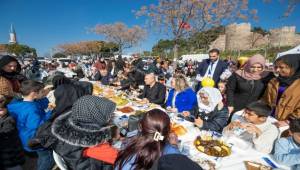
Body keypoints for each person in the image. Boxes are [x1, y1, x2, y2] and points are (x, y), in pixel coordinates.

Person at [51, 95, 117, 170]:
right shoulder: (95, 145)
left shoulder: (68, 129)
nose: (113, 116)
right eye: (109, 115)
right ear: (96, 118)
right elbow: (122, 159)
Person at [7, 80, 54, 170]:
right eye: (42, 91)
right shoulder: (32, 109)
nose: (44, 93)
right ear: (34, 94)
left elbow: (38, 103)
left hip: (24, 137)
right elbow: (39, 126)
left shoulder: (16, 104)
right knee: (47, 158)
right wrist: (50, 112)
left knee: (41, 157)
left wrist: (43, 96)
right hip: (36, 140)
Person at [114, 109, 180, 170]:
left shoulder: (130, 143)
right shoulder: (172, 152)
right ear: (167, 132)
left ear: (140, 127)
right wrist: (174, 146)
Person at [261, 54, 300, 126]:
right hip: (268, 117)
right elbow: (265, 99)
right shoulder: (274, 81)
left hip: (286, 123)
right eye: (276, 67)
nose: (277, 70)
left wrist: (288, 121)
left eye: (281, 67)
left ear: (294, 68)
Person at [0, 95, 25, 170]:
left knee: (14, 167)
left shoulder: (9, 120)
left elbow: (6, 132)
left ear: (6, 109)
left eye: (1, 110)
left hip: (10, 150)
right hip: (4, 149)